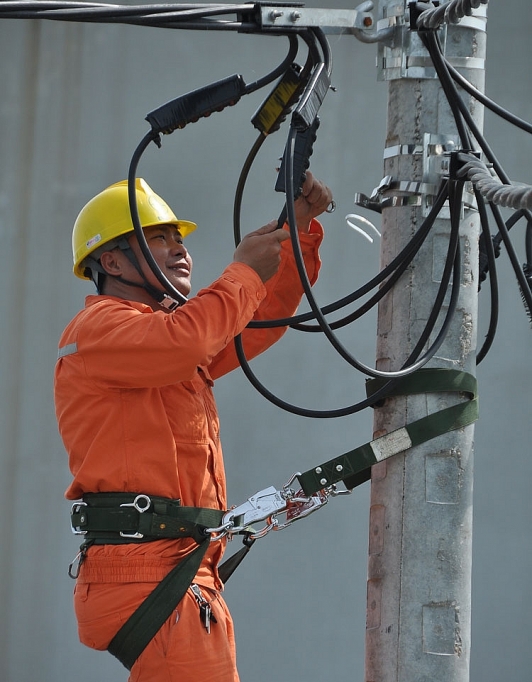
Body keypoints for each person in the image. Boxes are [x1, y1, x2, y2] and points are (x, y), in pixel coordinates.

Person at [54, 173, 332, 681]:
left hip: (177, 565)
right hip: (149, 570)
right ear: (110, 262)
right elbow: (189, 340)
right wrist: (243, 271)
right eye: (157, 238)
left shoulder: (163, 336)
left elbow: (258, 317)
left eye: (178, 236)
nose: (178, 248)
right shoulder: (101, 329)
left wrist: (294, 232)